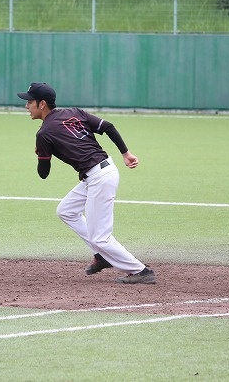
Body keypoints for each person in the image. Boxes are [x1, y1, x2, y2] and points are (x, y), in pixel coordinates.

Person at [17, 82, 155, 284]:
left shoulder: (44, 134)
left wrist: (40, 155)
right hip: (101, 172)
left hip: (99, 177)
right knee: (66, 210)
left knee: (101, 237)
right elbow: (108, 127)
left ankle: (140, 271)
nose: (26, 106)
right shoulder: (74, 112)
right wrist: (126, 154)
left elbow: (43, 174)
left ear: (42, 104)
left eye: (30, 102)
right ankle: (101, 256)